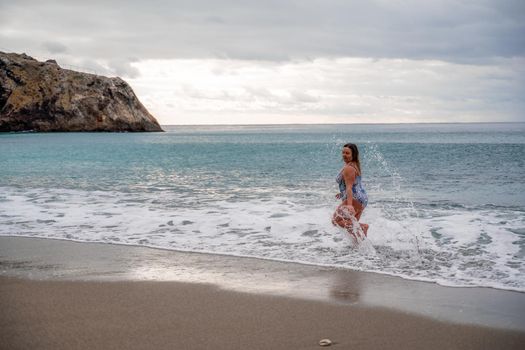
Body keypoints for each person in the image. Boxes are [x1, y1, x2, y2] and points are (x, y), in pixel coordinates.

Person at [332, 143, 369, 243]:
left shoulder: (349, 168)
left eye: (347, 153)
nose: (344, 155)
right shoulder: (354, 165)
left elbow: (349, 187)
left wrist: (349, 205)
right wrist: (342, 194)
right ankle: (360, 246)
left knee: (336, 221)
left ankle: (364, 227)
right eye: (343, 152)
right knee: (353, 225)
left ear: (353, 155)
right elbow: (354, 184)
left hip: (354, 199)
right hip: (361, 198)